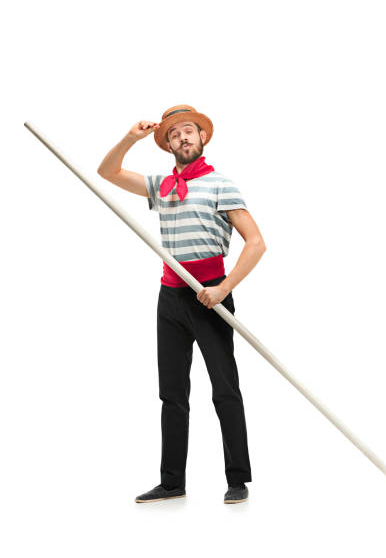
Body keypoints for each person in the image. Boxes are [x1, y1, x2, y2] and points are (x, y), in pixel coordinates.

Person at [97, 104, 267, 504]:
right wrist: (130, 138)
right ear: (168, 145)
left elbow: (256, 243)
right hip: (170, 297)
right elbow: (107, 172)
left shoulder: (221, 185)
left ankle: (236, 480)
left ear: (202, 137)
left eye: (188, 131)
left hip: (211, 294)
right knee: (172, 393)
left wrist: (222, 290)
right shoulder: (162, 185)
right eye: (174, 135)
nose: (182, 138)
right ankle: (172, 482)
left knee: (225, 389)